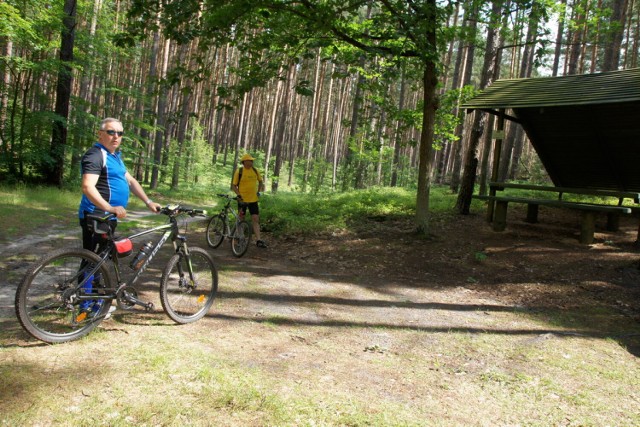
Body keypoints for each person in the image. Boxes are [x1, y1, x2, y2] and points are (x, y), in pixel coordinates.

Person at [77, 117, 161, 317]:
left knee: (98, 259)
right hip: (97, 215)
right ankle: (86, 306)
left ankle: (95, 301)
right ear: (100, 133)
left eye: (120, 133)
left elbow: (130, 181)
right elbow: (87, 186)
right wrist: (109, 207)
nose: (116, 136)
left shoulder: (114, 156)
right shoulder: (96, 155)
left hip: (107, 218)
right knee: (92, 260)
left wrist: (148, 202)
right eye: (111, 132)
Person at [232, 153, 267, 248]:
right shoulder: (239, 171)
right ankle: (240, 238)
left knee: (255, 219)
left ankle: (259, 240)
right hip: (242, 200)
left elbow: (260, 182)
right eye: (250, 160)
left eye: (252, 161)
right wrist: (238, 194)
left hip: (253, 200)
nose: (251, 162)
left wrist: (258, 191)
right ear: (244, 162)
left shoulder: (255, 171)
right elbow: (233, 186)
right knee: (241, 219)